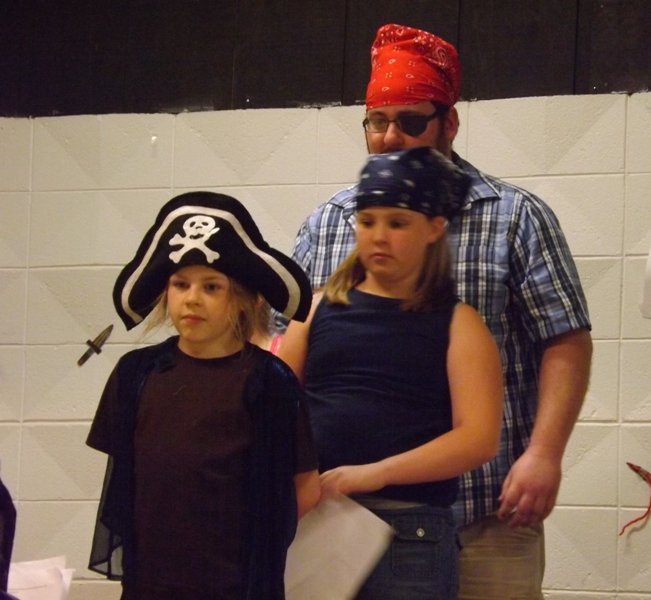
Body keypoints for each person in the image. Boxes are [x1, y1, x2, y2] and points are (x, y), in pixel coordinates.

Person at [288, 24, 593, 600]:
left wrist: (544, 455)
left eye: (410, 120)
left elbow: (565, 340)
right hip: (337, 516)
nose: (390, 136)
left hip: (488, 510)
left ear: (449, 122)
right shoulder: (328, 221)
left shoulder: (516, 216)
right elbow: (283, 362)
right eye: (377, 121)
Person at [279, 146, 504, 599]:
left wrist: (377, 473)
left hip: (410, 528)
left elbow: (478, 438)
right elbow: (276, 406)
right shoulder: (316, 309)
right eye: (367, 222)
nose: (379, 237)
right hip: (315, 515)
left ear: (434, 229)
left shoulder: (459, 324)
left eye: (397, 224)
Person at [86, 191, 320, 600]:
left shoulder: (269, 382)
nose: (192, 299)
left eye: (212, 286)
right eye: (181, 284)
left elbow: (306, 487)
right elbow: (128, 482)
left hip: (235, 587)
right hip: (150, 584)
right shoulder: (135, 374)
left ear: (243, 299)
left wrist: (257, 551)